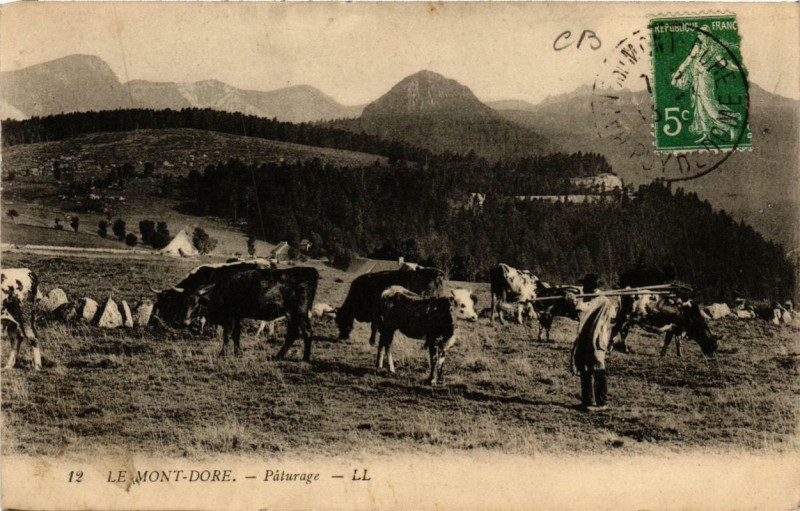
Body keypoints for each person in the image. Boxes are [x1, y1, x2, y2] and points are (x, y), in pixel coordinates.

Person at [671, 26, 740, 143]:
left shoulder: (714, 49)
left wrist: (738, 68)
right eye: (699, 34)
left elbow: (724, 63)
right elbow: (688, 60)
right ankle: (706, 135)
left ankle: (731, 124)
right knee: (700, 108)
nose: (700, 36)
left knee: (711, 108)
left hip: (705, 79)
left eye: (702, 34)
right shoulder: (698, 47)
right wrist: (677, 73)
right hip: (696, 79)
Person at [568, 293, 619, 412]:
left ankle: (602, 403)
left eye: (586, 286)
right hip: (588, 337)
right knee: (585, 367)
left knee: (598, 368)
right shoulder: (596, 299)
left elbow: (583, 307)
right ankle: (587, 401)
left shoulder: (601, 299)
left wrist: (572, 300)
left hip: (597, 338)